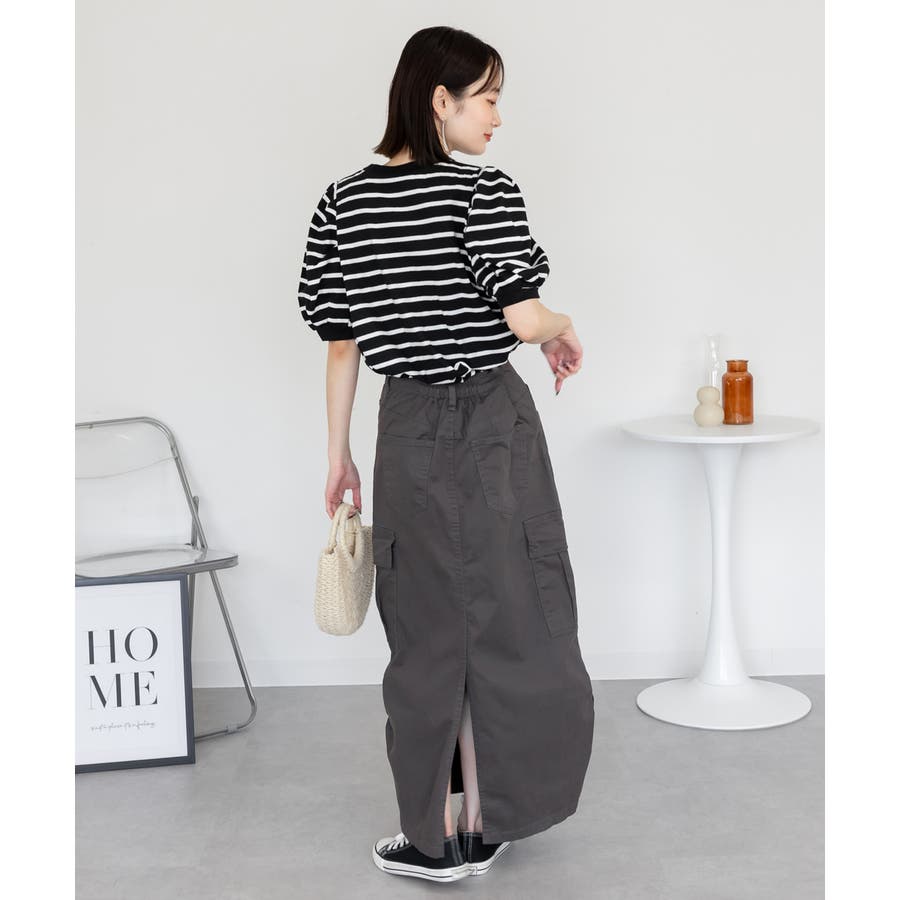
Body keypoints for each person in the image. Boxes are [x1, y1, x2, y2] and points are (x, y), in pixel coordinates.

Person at [297, 25, 594, 884]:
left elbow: (342, 342)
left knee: (428, 627)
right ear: (440, 100)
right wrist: (563, 326)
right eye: (488, 97)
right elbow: (523, 317)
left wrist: (338, 455)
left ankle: (437, 834)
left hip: (405, 429)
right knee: (512, 610)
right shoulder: (482, 193)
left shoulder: (341, 203)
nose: (497, 116)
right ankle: (485, 819)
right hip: (490, 423)